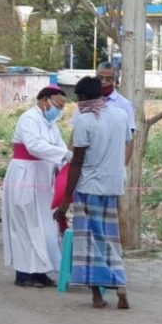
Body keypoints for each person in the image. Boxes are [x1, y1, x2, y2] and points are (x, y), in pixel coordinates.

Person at [55, 77, 133, 309]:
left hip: (89, 187)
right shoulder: (120, 115)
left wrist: (66, 199)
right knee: (110, 239)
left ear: (81, 98)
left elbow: (77, 161)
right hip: (113, 186)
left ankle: (97, 296)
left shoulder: (84, 121)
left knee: (89, 242)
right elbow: (127, 142)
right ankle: (120, 285)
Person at [2, 85, 69, 288]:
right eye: (58, 105)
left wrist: (67, 160)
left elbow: (60, 147)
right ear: (45, 100)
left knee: (45, 226)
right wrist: (65, 155)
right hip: (25, 175)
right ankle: (24, 273)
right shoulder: (29, 118)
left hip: (43, 178)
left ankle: (41, 271)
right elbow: (34, 146)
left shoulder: (51, 123)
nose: (59, 110)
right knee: (26, 223)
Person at [97, 62, 136, 133]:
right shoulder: (87, 101)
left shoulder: (124, 105)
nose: (103, 82)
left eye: (108, 79)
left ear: (116, 81)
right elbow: (76, 130)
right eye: (100, 78)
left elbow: (130, 134)